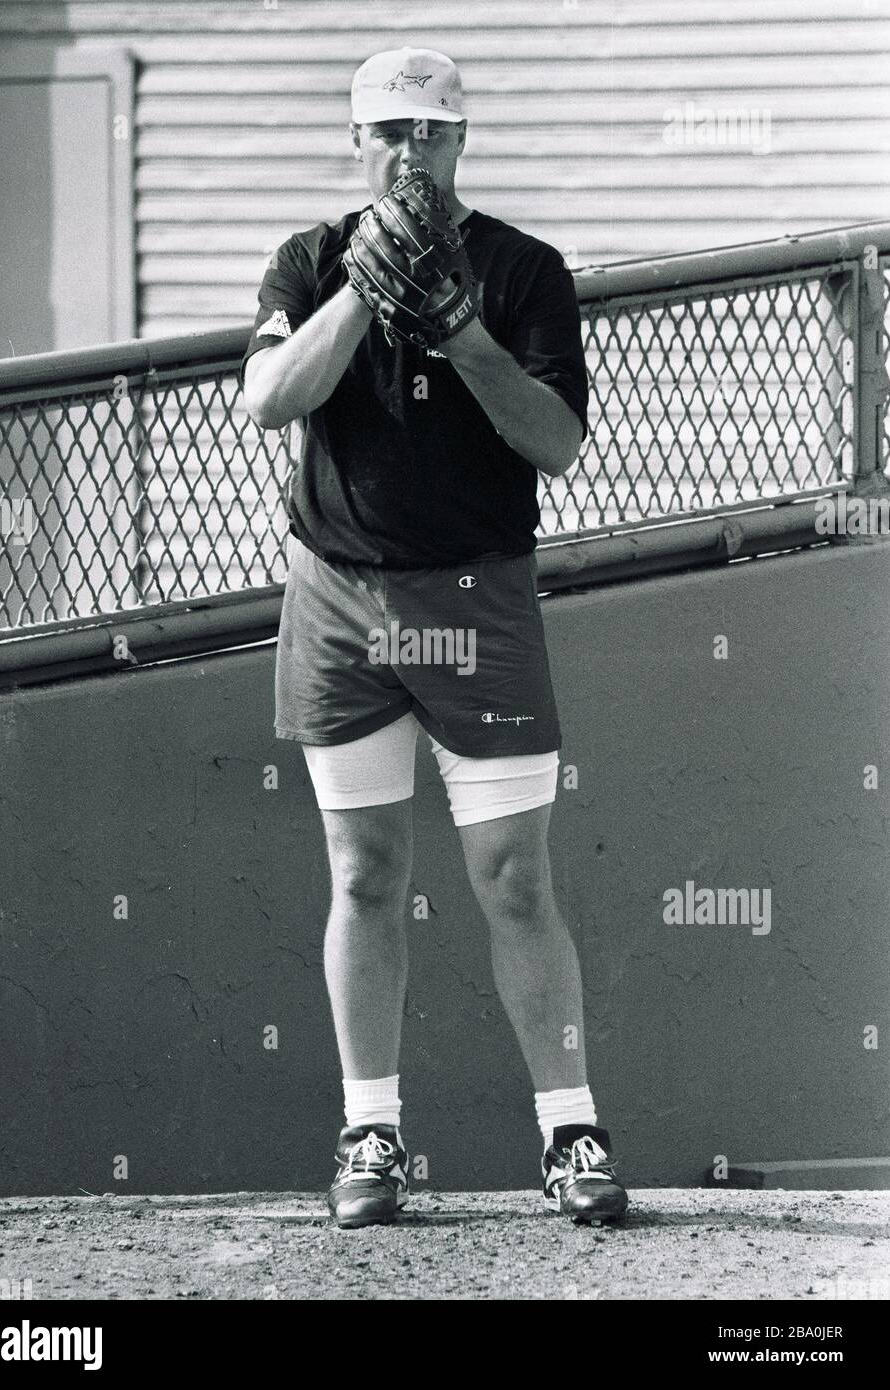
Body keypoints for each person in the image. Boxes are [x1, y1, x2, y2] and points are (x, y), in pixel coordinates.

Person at [241, 45, 628, 1230]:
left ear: (465, 140)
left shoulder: (524, 270)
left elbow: (556, 442)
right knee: (363, 873)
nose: (414, 151)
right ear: (359, 140)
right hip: (342, 596)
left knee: (514, 876)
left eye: (435, 131)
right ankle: (372, 1130)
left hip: (478, 596)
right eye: (392, 130)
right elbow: (265, 401)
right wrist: (365, 289)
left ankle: (571, 1131)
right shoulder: (310, 259)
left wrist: (463, 334)